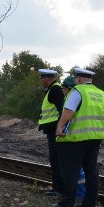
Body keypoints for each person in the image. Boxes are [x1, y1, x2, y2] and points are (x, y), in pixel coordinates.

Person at [54, 67, 104, 207]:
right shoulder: (102, 94)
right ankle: (89, 204)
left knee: (70, 171)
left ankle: (66, 204)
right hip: (96, 137)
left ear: (78, 79)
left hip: (77, 138)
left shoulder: (77, 91)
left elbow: (69, 111)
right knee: (91, 170)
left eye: (75, 78)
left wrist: (60, 126)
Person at [38, 69, 65, 197]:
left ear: (48, 78)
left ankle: (58, 188)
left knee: (56, 160)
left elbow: (62, 109)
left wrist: (60, 127)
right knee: (54, 159)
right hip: (52, 129)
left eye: (42, 78)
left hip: (55, 130)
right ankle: (57, 187)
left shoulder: (55, 89)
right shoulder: (53, 89)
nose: (41, 81)